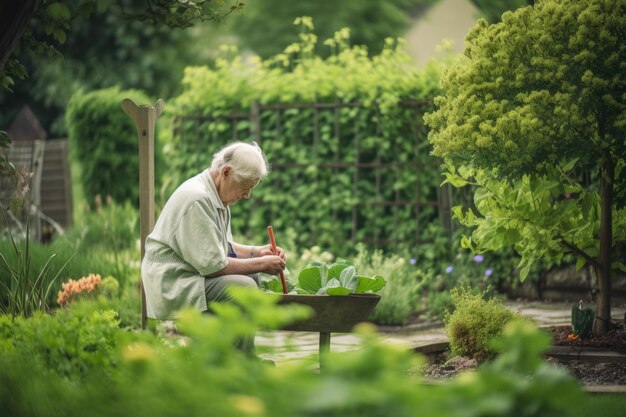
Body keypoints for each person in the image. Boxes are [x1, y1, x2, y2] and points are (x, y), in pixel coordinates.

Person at [141, 141, 286, 324]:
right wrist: (261, 263)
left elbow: (220, 246)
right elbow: (214, 266)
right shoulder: (198, 199)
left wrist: (255, 252)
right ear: (226, 172)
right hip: (174, 282)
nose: (247, 195)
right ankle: (237, 351)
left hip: (191, 274)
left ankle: (232, 348)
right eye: (245, 187)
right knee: (244, 287)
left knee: (251, 277)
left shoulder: (219, 197)